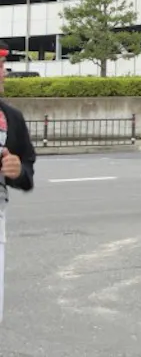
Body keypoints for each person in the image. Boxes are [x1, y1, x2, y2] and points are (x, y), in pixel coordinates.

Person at [0, 69, 36, 324]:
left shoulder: (11, 118)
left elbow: (27, 165)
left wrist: (18, 171)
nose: (3, 73)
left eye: (2, 66)